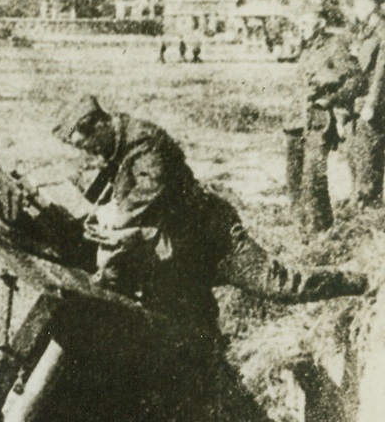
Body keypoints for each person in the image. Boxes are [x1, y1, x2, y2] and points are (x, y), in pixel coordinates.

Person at [55, 96, 368, 343]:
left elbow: (151, 187)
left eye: (87, 144)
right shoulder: (115, 145)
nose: (90, 153)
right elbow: (112, 186)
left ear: (98, 126)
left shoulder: (143, 140)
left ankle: (360, 282)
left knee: (280, 285)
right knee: (192, 325)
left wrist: (116, 217)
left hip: (215, 241)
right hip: (180, 251)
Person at [285, 0, 366, 234]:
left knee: (313, 181)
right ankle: (302, 232)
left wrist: (331, 100)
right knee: (294, 180)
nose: (300, 27)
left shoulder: (335, 46)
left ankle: (321, 232)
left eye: (305, 23)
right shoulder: (307, 48)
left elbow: (357, 80)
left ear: (320, 24)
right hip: (295, 123)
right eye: (298, 23)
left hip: (319, 122)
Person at [351, 0, 385, 206]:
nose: (357, 8)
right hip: (360, 100)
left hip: (374, 101)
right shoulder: (366, 30)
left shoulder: (381, 31)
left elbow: (381, 70)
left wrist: (372, 102)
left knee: (369, 150)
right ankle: (362, 196)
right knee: (358, 150)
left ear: (372, 6)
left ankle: (368, 199)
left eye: (361, 4)